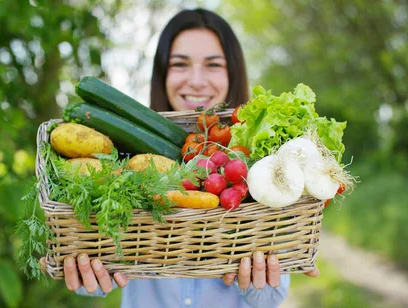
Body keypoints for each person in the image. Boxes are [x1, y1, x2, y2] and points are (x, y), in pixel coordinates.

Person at [55, 8, 320, 308]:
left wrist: (261, 284)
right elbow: (97, 264)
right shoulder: (116, 150)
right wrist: (89, 279)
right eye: (180, 64)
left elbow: (269, 299)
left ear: (232, 72)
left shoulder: (261, 166)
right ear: (163, 74)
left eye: (213, 65)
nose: (196, 81)